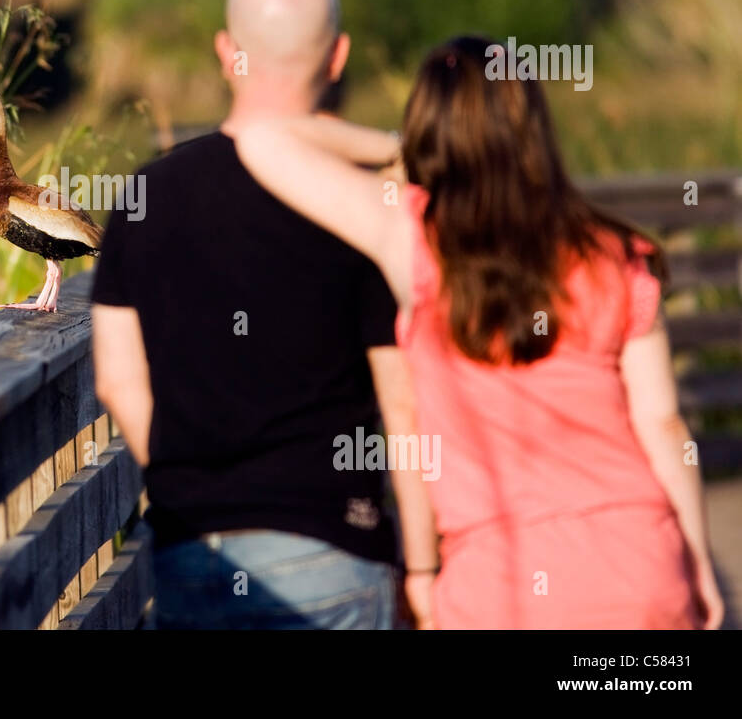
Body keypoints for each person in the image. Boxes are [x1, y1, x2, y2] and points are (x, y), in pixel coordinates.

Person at [232, 34, 726, 629]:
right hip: (639, 567)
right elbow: (663, 425)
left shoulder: (411, 238)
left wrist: (403, 146)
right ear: (534, 131)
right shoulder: (616, 254)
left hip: (501, 581)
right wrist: (695, 559)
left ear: (429, 134)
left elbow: (262, 137)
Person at [90, 0, 436, 629]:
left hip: (196, 554)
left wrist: (190, 483)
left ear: (226, 52)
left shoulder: (148, 193)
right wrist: (421, 561)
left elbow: (117, 381)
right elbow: (401, 396)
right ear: (338, 57)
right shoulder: (360, 204)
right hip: (334, 544)